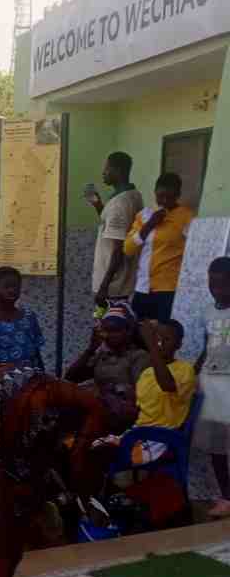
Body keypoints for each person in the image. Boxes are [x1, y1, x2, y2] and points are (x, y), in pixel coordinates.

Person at [0, 365, 106, 534]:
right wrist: (79, 487)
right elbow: (75, 457)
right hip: (17, 393)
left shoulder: (67, 397)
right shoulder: (93, 408)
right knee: (10, 459)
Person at [64, 303, 149, 434]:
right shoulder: (102, 354)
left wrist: (101, 392)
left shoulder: (139, 356)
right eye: (106, 330)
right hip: (97, 411)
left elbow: (139, 395)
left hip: (123, 418)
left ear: (129, 331)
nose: (109, 335)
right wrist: (90, 349)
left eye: (115, 330)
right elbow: (71, 378)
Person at [124, 173, 194, 322]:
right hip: (142, 287)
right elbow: (128, 249)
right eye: (161, 196)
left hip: (169, 289)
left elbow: (193, 251)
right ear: (155, 192)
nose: (164, 201)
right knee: (139, 331)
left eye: (170, 197)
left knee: (163, 332)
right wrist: (149, 225)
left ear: (178, 195)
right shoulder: (144, 215)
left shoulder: (187, 216)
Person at [196, 258, 230, 518]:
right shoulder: (207, 312)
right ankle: (226, 496)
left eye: (223, 285)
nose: (216, 290)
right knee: (216, 446)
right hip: (211, 383)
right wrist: (195, 372)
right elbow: (207, 347)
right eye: (212, 284)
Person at [89, 152, 144, 311]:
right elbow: (114, 226)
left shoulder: (119, 204)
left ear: (117, 170)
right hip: (122, 285)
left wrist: (104, 286)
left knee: (105, 324)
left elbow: (118, 248)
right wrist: (98, 205)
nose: (103, 173)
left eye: (106, 168)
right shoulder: (134, 195)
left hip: (112, 289)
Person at [0, 267, 45, 371]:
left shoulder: (29, 316)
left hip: (34, 377)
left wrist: (43, 375)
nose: (12, 290)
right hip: (6, 378)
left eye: (15, 286)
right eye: (6, 286)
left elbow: (37, 353)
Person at [134, 319, 195, 430]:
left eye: (166, 339)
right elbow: (140, 410)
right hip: (140, 430)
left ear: (179, 344)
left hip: (164, 434)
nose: (159, 343)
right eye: (157, 338)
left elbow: (167, 385)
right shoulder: (146, 373)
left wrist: (152, 344)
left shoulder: (185, 369)